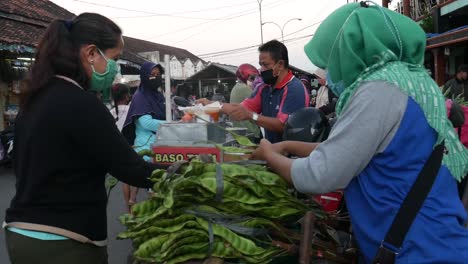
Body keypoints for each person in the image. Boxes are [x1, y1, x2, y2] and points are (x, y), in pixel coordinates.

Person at [251, 3, 468, 263]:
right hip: (437, 239)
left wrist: (268, 154)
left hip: (417, 250)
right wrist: (288, 147)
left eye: (332, 60)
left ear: (351, 51)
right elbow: (357, 151)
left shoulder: (379, 90)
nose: (329, 71)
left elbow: (321, 175)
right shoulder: (411, 81)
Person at [3, 13, 158, 264]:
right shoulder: (82, 102)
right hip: (63, 241)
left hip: (21, 234)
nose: (115, 70)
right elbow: (130, 168)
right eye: (115, 59)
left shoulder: (35, 99)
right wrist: (182, 172)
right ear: (91, 54)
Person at [200, 40, 310, 143]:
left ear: (280, 64)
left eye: (265, 65)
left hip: (293, 156)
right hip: (273, 151)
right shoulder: (264, 87)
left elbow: (284, 125)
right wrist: (210, 105)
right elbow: (240, 108)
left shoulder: (294, 89)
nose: (261, 69)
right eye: (260, 64)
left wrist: (251, 116)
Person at [122, 62, 166, 161]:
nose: (156, 77)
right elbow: (146, 123)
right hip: (146, 149)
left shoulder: (158, 95)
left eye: (158, 75)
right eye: (152, 74)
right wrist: (171, 124)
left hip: (160, 145)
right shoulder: (140, 96)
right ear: (144, 76)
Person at [109, 83, 138, 212]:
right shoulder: (131, 110)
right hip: (133, 145)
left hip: (118, 148)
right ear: (127, 96)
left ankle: (128, 207)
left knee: (125, 179)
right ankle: (133, 197)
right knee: (137, 174)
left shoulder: (110, 112)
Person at [229, 64, 261, 141]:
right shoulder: (245, 88)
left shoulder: (237, 87)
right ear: (245, 77)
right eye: (252, 78)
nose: (255, 81)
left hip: (240, 130)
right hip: (249, 131)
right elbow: (260, 105)